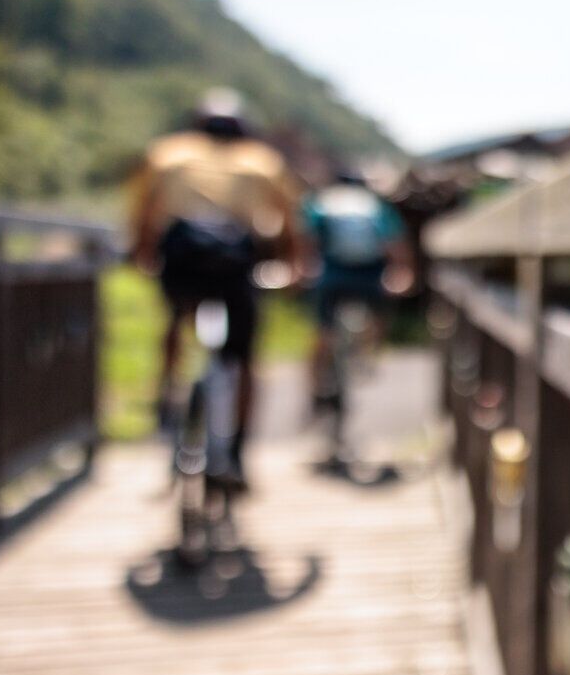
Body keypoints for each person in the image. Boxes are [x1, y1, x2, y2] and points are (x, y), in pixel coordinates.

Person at [129, 90, 305, 488]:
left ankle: (166, 393)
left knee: (176, 318)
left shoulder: (168, 153)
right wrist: (294, 267)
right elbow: (289, 222)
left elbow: (145, 213)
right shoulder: (261, 161)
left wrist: (142, 254)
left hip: (182, 260)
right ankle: (238, 450)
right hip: (236, 266)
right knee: (242, 357)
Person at [304, 167, 413, 410]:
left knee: (323, 330)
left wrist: (302, 270)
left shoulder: (321, 203)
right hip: (370, 274)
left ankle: (314, 387)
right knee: (379, 314)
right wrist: (403, 271)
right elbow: (395, 242)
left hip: (332, 272)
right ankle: (370, 353)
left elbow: (307, 238)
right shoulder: (375, 206)